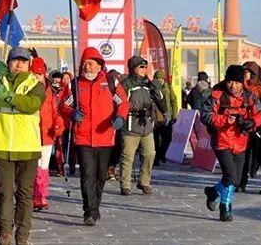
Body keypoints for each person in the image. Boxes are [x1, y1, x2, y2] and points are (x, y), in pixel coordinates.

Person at [0, 46, 45, 245]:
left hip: (27, 146)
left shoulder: (36, 83)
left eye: (23, 61)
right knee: (4, 193)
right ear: (8, 63)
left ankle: (22, 236)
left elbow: (31, 104)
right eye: (15, 60)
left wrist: (7, 97)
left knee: (25, 194)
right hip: (2, 144)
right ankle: (5, 233)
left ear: (29, 64)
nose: (19, 64)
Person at [59, 47, 129, 225]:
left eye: (91, 63)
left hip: (105, 137)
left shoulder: (110, 82)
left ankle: (94, 205)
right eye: (84, 63)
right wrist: (72, 113)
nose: (87, 66)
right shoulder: (75, 85)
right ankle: (89, 212)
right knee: (87, 174)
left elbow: (122, 103)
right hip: (83, 138)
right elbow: (64, 106)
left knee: (100, 175)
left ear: (99, 65)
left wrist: (120, 117)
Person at [201, 65, 261, 222]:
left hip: (240, 142)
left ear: (242, 82)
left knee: (235, 180)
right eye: (230, 82)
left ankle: (214, 192)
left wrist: (252, 123)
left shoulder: (248, 96)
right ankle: (225, 208)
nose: (233, 86)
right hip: (221, 141)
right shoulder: (217, 95)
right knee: (230, 176)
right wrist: (224, 120)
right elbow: (204, 115)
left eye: (237, 82)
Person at [119, 56, 166, 196]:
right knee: (128, 157)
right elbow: (120, 102)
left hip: (146, 125)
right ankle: (125, 185)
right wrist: (137, 106)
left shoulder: (148, 83)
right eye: (141, 67)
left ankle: (144, 182)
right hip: (131, 125)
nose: (144, 69)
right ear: (133, 68)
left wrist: (156, 88)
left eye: (145, 67)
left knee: (150, 154)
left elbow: (159, 98)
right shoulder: (126, 84)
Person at [31, 58, 64, 212]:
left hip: (47, 133)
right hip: (31, 133)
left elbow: (54, 111)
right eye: (35, 73)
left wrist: (58, 123)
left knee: (44, 166)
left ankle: (42, 195)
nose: (38, 77)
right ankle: (35, 196)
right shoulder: (28, 88)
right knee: (34, 166)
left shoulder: (49, 90)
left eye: (40, 74)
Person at [152, 70, 179, 165]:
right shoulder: (152, 88)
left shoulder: (168, 88)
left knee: (167, 138)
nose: (159, 81)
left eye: (160, 79)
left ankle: (161, 153)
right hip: (155, 118)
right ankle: (156, 159)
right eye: (157, 79)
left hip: (167, 118)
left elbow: (174, 101)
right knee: (155, 140)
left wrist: (174, 115)